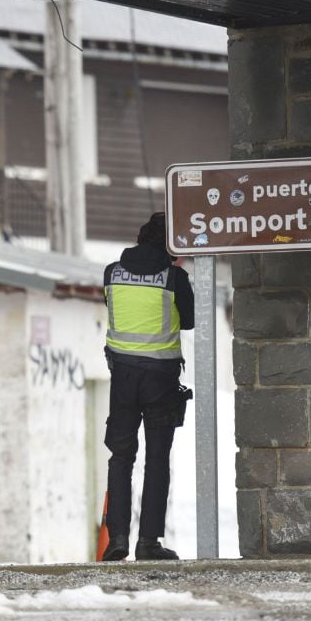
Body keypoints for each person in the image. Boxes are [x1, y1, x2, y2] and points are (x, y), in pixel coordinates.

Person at [101, 211, 193, 561]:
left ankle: (117, 540)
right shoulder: (174, 277)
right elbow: (191, 320)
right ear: (171, 245)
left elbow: (111, 307)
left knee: (120, 457)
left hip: (122, 377)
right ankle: (148, 542)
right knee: (157, 460)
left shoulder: (112, 273)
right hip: (161, 379)